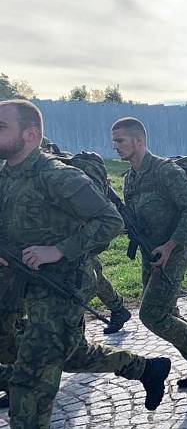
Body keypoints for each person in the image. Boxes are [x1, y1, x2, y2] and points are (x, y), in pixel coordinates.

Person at [0, 100, 170, 429]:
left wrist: (58, 250)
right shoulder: (6, 177)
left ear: (30, 135)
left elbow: (109, 221)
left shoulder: (58, 177)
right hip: (16, 287)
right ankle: (146, 368)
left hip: (57, 289)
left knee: (32, 372)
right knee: (69, 354)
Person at [112, 117, 187, 387]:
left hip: (173, 251)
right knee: (167, 310)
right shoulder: (131, 178)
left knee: (152, 314)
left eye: (120, 140)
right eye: (114, 141)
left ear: (139, 140)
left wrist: (171, 245)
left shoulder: (165, 171)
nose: (115, 146)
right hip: (150, 254)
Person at [39, 138, 132, 334]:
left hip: (76, 234)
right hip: (76, 233)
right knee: (92, 271)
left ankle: (76, 337)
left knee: (82, 278)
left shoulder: (58, 170)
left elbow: (103, 199)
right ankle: (118, 308)